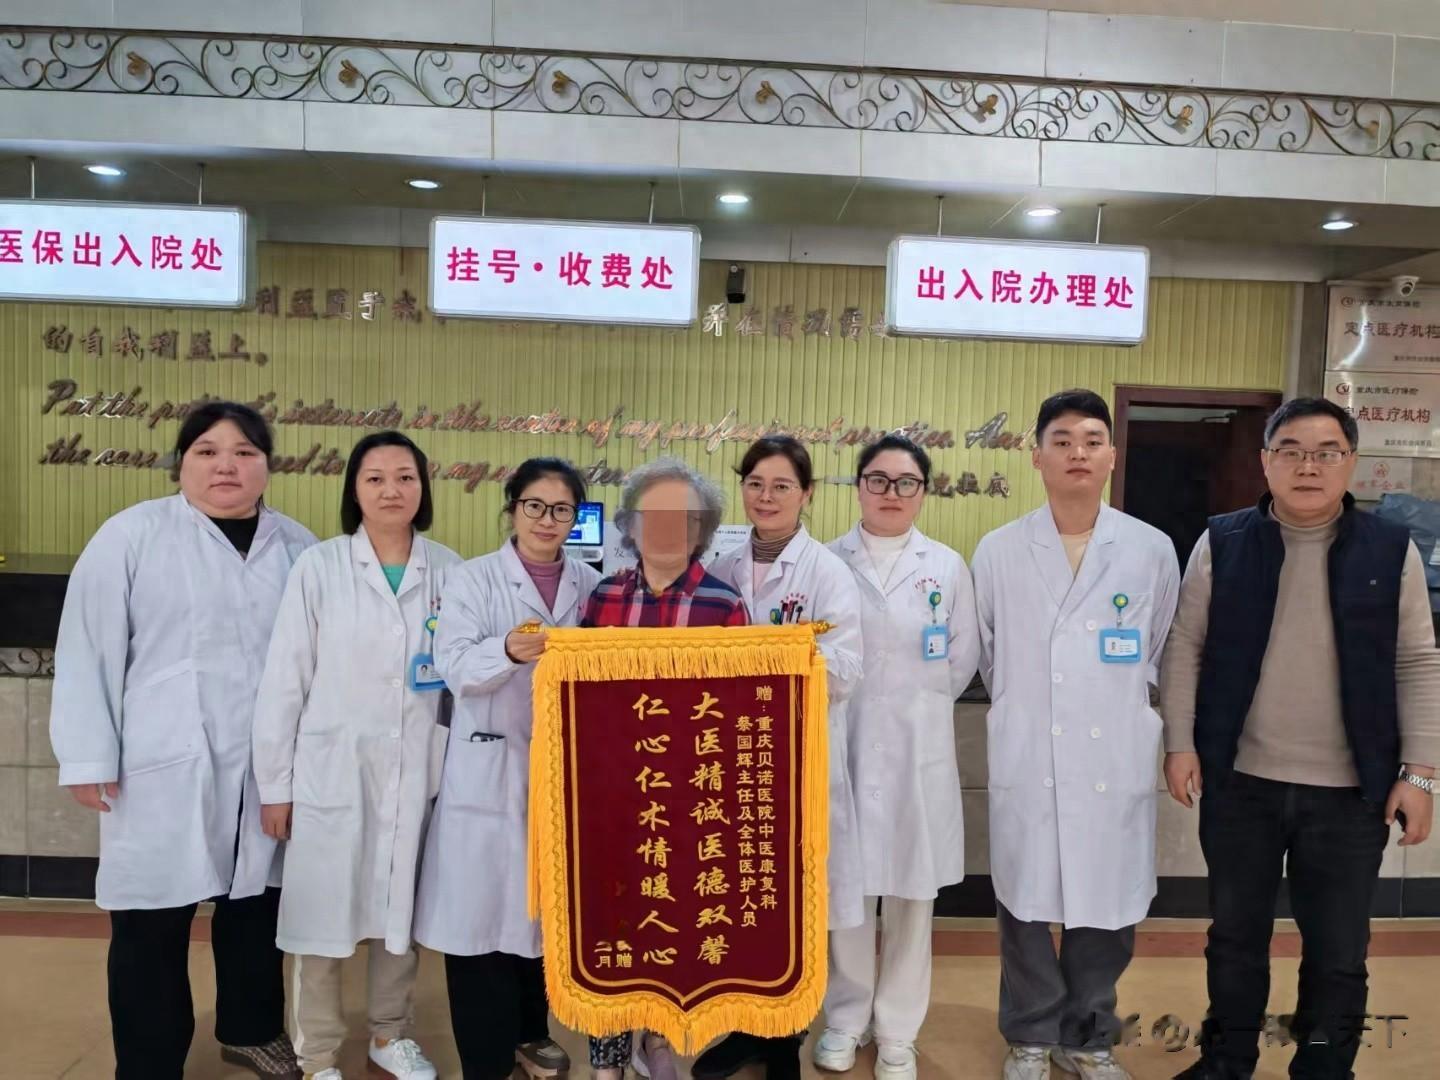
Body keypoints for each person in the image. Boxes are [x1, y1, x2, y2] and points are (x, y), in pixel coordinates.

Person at [1159, 397, 1438, 1080]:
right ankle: (1227, 1061)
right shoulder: (1222, 541)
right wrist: (1180, 743)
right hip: (1241, 783)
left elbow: (1416, 659)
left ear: (1351, 463)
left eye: (1326, 453)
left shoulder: (1389, 549)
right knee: (1234, 938)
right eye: (1291, 451)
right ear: (1266, 461)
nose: (1307, 466)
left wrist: (1421, 772)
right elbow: (1185, 645)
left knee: (1339, 951)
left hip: (1351, 793)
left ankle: (1323, 1068)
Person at [50, 402, 316, 1080]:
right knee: (150, 922)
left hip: (265, 768)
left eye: (244, 452)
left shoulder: (299, 548)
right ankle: (148, 1061)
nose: (227, 465)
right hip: (160, 764)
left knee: (257, 908)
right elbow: (88, 647)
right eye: (207, 451)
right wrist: (87, 753)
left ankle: (252, 1029)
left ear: (267, 465)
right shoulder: (132, 535)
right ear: (181, 463)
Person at [971, 389, 1180, 1080]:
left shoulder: (1150, 549)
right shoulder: (999, 550)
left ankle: (1087, 1037)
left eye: (1092, 440)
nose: (1078, 453)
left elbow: (1161, 649)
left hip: (1111, 753)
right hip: (1030, 748)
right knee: (1025, 903)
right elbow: (990, 653)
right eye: (1061, 441)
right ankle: (1030, 1035)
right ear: (1037, 457)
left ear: (1112, 455)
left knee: (1107, 903)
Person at [252, 432, 460, 1080]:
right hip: (331, 774)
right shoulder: (319, 568)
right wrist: (275, 786)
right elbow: (284, 682)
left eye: (405, 477)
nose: (391, 490)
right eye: (375, 478)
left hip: (416, 774)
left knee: (401, 913)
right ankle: (317, 1055)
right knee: (321, 916)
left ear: (423, 488)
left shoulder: (450, 570)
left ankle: (389, 1035)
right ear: (354, 490)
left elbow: (461, 679)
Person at [413, 458, 600, 1080]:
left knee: (542, 918)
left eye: (562, 510)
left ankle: (530, 1033)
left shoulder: (592, 584)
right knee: (480, 924)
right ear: (513, 508)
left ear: (575, 518)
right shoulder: (472, 580)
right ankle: (485, 1062)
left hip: (564, 774)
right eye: (535, 506)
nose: (547, 520)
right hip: (489, 769)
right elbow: (456, 667)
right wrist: (509, 650)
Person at [697, 435, 865, 1080]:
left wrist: (773, 653)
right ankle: (745, 1030)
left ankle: (784, 1040)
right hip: (733, 758)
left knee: (794, 904)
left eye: (782, 486)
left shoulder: (827, 572)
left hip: (797, 760)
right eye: (755, 484)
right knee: (742, 897)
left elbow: (845, 670)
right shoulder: (719, 567)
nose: (766, 497)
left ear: (806, 494)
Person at [817, 434, 981, 1080]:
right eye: (879, 480)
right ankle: (845, 1018)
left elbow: (961, 658)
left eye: (906, 482)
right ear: (858, 487)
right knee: (848, 892)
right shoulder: (827, 562)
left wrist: (913, 705)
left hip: (919, 751)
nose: (892, 493)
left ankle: (898, 1032)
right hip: (846, 744)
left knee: (914, 897)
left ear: (923, 492)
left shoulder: (947, 566)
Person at [578, 457, 747, 1080]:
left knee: (672, 923)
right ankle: (607, 1056)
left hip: (685, 798)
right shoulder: (605, 596)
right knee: (610, 924)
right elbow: (580, 695)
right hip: (612, 794)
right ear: (629, 525)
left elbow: (735, 710)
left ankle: (661, 1038)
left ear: (702, 528)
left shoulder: (723, 605)